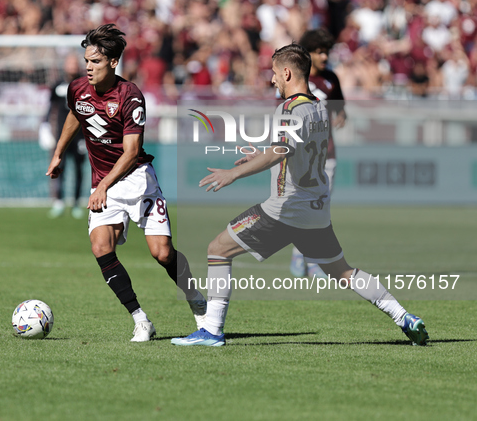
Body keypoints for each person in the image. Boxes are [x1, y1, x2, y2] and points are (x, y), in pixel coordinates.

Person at [171, 43, 428, 347]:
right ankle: (404, 317)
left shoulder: (289, 109)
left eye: (275, 73)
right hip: (315, 210)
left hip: (285, 209)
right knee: (344, 272)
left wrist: (233, 174)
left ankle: (211, 331)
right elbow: (292, 147)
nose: (272, 80)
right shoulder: (319, 105)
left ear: (288, 72)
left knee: (218, 249)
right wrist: (258, 154)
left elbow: (282, 150)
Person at [46, 24, 206, 342]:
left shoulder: (130, 96)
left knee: (161, 253)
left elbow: (132, 152)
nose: (88, 67)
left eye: (95, 62)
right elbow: (75, 115)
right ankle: (140, 319)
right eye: (86, 60)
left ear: (113, 62)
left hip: (137, 180)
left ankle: (198, 300)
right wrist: (58, 152)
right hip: (103, 183)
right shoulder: (77, 88)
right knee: (100, 246)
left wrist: (104, 186)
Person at [288, 28, 347, 279]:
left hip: (327, 155)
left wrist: (341, 116)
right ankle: (300, 254)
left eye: (326, 51)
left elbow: (341, 107)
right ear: (307, 54)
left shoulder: (331, 78)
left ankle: (310, 260)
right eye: (319, 51)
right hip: (299, 154)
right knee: (301, 205)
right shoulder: (296, 80)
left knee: (320, 207)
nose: (324, 57)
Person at [40, 54, 87, 219]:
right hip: (62, 135)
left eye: (75, 63)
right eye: (70, 63)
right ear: (65, 65)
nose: (72, 66)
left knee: (79, 169)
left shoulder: (86, 84)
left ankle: (76, 203)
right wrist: (45, 126)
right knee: (59, 167)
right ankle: (58, 201)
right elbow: (50, 107)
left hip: (80, 136)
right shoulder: (58, 85)